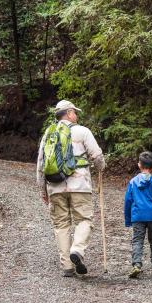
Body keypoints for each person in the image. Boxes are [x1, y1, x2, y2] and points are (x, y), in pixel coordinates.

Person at [36, 100, 105, 277]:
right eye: (75, 112)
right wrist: (100, 168)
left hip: (55, 187)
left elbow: (41, 165)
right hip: (80, 185)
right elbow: (97, 156)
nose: (77, 115)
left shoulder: (48, 134)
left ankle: (67, 266)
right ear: (68, 113)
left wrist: (43, 190)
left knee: (61, 225)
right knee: (84, 220)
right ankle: (77, 249)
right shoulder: (82, 131)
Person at [124, 151, 152, 278]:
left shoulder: (133, 182)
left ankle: (137, 264)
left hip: (137, 216)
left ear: (139, 165)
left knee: (137, 240)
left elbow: (128, 201)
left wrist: (128, 219)